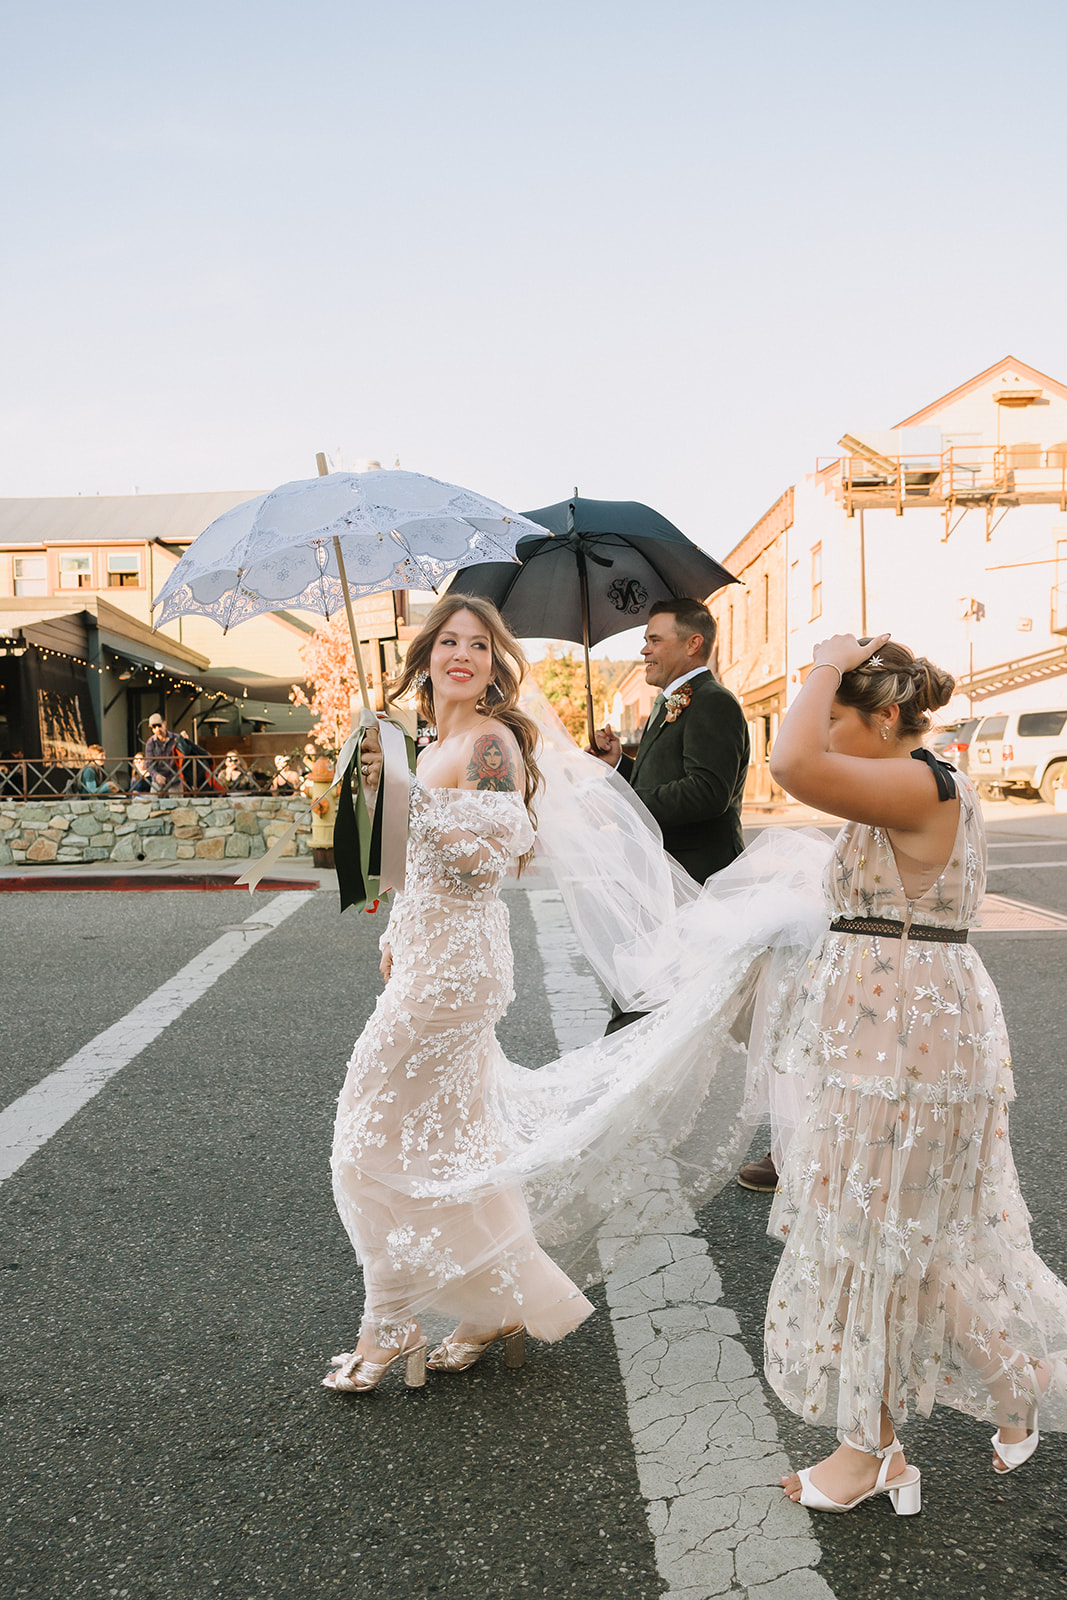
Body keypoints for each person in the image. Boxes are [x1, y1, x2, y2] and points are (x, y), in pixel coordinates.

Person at [763, 633, 1067, 1513]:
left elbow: (791, 761)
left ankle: (868, 1452)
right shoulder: (892, 788)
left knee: (883, 1243)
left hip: (912, 1047)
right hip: (881, 1038)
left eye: (840, 715)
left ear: (886, 716)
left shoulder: (923, 781)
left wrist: (822, 660)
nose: (825, 734)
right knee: (893, 1242)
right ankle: (1008, 1387)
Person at [323, 596, 595, 1392]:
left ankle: (390, 1325)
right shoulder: (426, 741)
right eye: (448, 641)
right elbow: (407, 870)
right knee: (451, 1141)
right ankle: (492, 1307)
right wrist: (392, 927)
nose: (463, 655)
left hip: (459, 970)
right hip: (424, 957)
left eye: (479, 644)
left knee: (364, 1143)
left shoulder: (489, 743)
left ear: (493, 662)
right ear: (427, 655)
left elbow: (487, 867)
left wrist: (409, 788)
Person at [590, 598, 750, 1032]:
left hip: (691, 883)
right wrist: (619, 764)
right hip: (659, 882)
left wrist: (628, 803)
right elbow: (662, 780)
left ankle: (616, 1088)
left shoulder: (713, 702)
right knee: (643, 1002)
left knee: (641, 1008)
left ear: (693, 643)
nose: (644, 650)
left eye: (654, 639)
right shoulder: (669, 703)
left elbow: (707, 791)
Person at [144, 713, 179, 793]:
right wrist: (156, 775)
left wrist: (185, 740)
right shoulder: (150, 742)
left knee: (178, 803)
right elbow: (148, 763)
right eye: (154, 727)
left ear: (164, 724)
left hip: (174, 779)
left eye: (159, 725)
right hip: (157, 780)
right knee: (154, 802)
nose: (157, 729)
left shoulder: (176, 739)